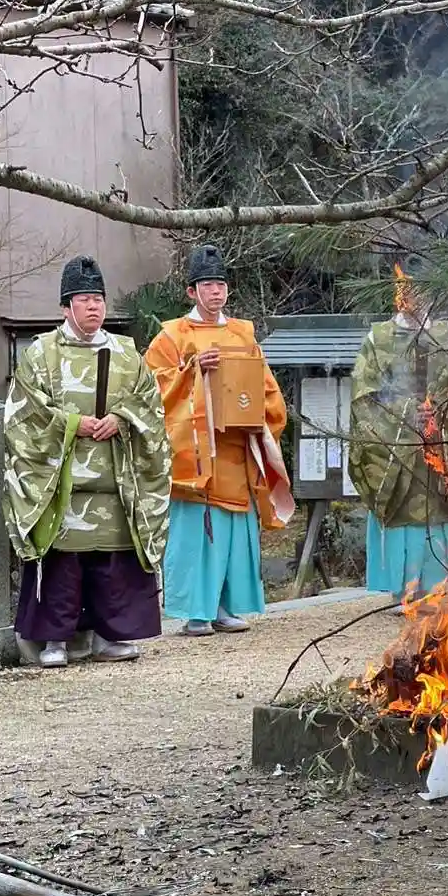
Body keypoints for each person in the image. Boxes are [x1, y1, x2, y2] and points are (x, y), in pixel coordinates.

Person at [3, 255, 171, 668]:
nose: (94, 307)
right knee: (62, 564)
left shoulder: (127, 353)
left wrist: (122, 418)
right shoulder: (42, 353)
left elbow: (150, 404)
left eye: (98, 299)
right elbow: (26, 410)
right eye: (83, 299)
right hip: (61, 482)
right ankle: (56, 641)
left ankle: (109, 639)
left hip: (116, 480)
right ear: (66, 307)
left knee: (112, 565)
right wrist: (72, 423)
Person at [145, 244, 292, 636]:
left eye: (221, 284)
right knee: (198, 532)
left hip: (236, 449)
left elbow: (266, 388)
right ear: (191, 291)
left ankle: (226, 606)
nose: (216, 291)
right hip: (195, 453)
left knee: (233, 533)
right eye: (207, 285)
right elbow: (151, 387)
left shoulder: (243, 333)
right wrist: (192, 369)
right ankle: (197, 611)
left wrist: (258, 421)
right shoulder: (172, 336)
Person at [348, 288, 448, 602]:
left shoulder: (446, 336)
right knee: (403, 510)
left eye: (423, 290)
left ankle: (444, 587)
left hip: (440, 443)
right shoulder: (379, 339)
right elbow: (364, 395)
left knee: (444, 508)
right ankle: (404, 590)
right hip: (397, 450)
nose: (417, 298)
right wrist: (404, 411)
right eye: (409, 290)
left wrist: (441, 409)